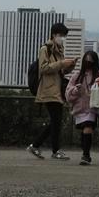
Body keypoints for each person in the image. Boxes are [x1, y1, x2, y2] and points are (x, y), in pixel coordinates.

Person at [27, 22, 77, 161]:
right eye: (61, 35)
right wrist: (62, 63)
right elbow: (43, 68)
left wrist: (70, 66)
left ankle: (36, 145)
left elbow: (60, 71)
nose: (62, 38)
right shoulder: (45, 49)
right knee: (56, 120)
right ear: (54, 34)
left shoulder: (59, 49)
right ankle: (52, 150)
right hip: (48, 89)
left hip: (57, 89)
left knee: (56, 121)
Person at [65, 50, 99, 165]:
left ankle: (86, 155)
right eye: (87, 60)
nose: (88, 62)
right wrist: (76, 90)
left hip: (92, 108)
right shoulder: (77, 76)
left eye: (91, 60)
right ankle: (85, 151)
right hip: (80, 109)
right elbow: (68, 94)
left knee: (88, 127)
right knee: (85, 131)